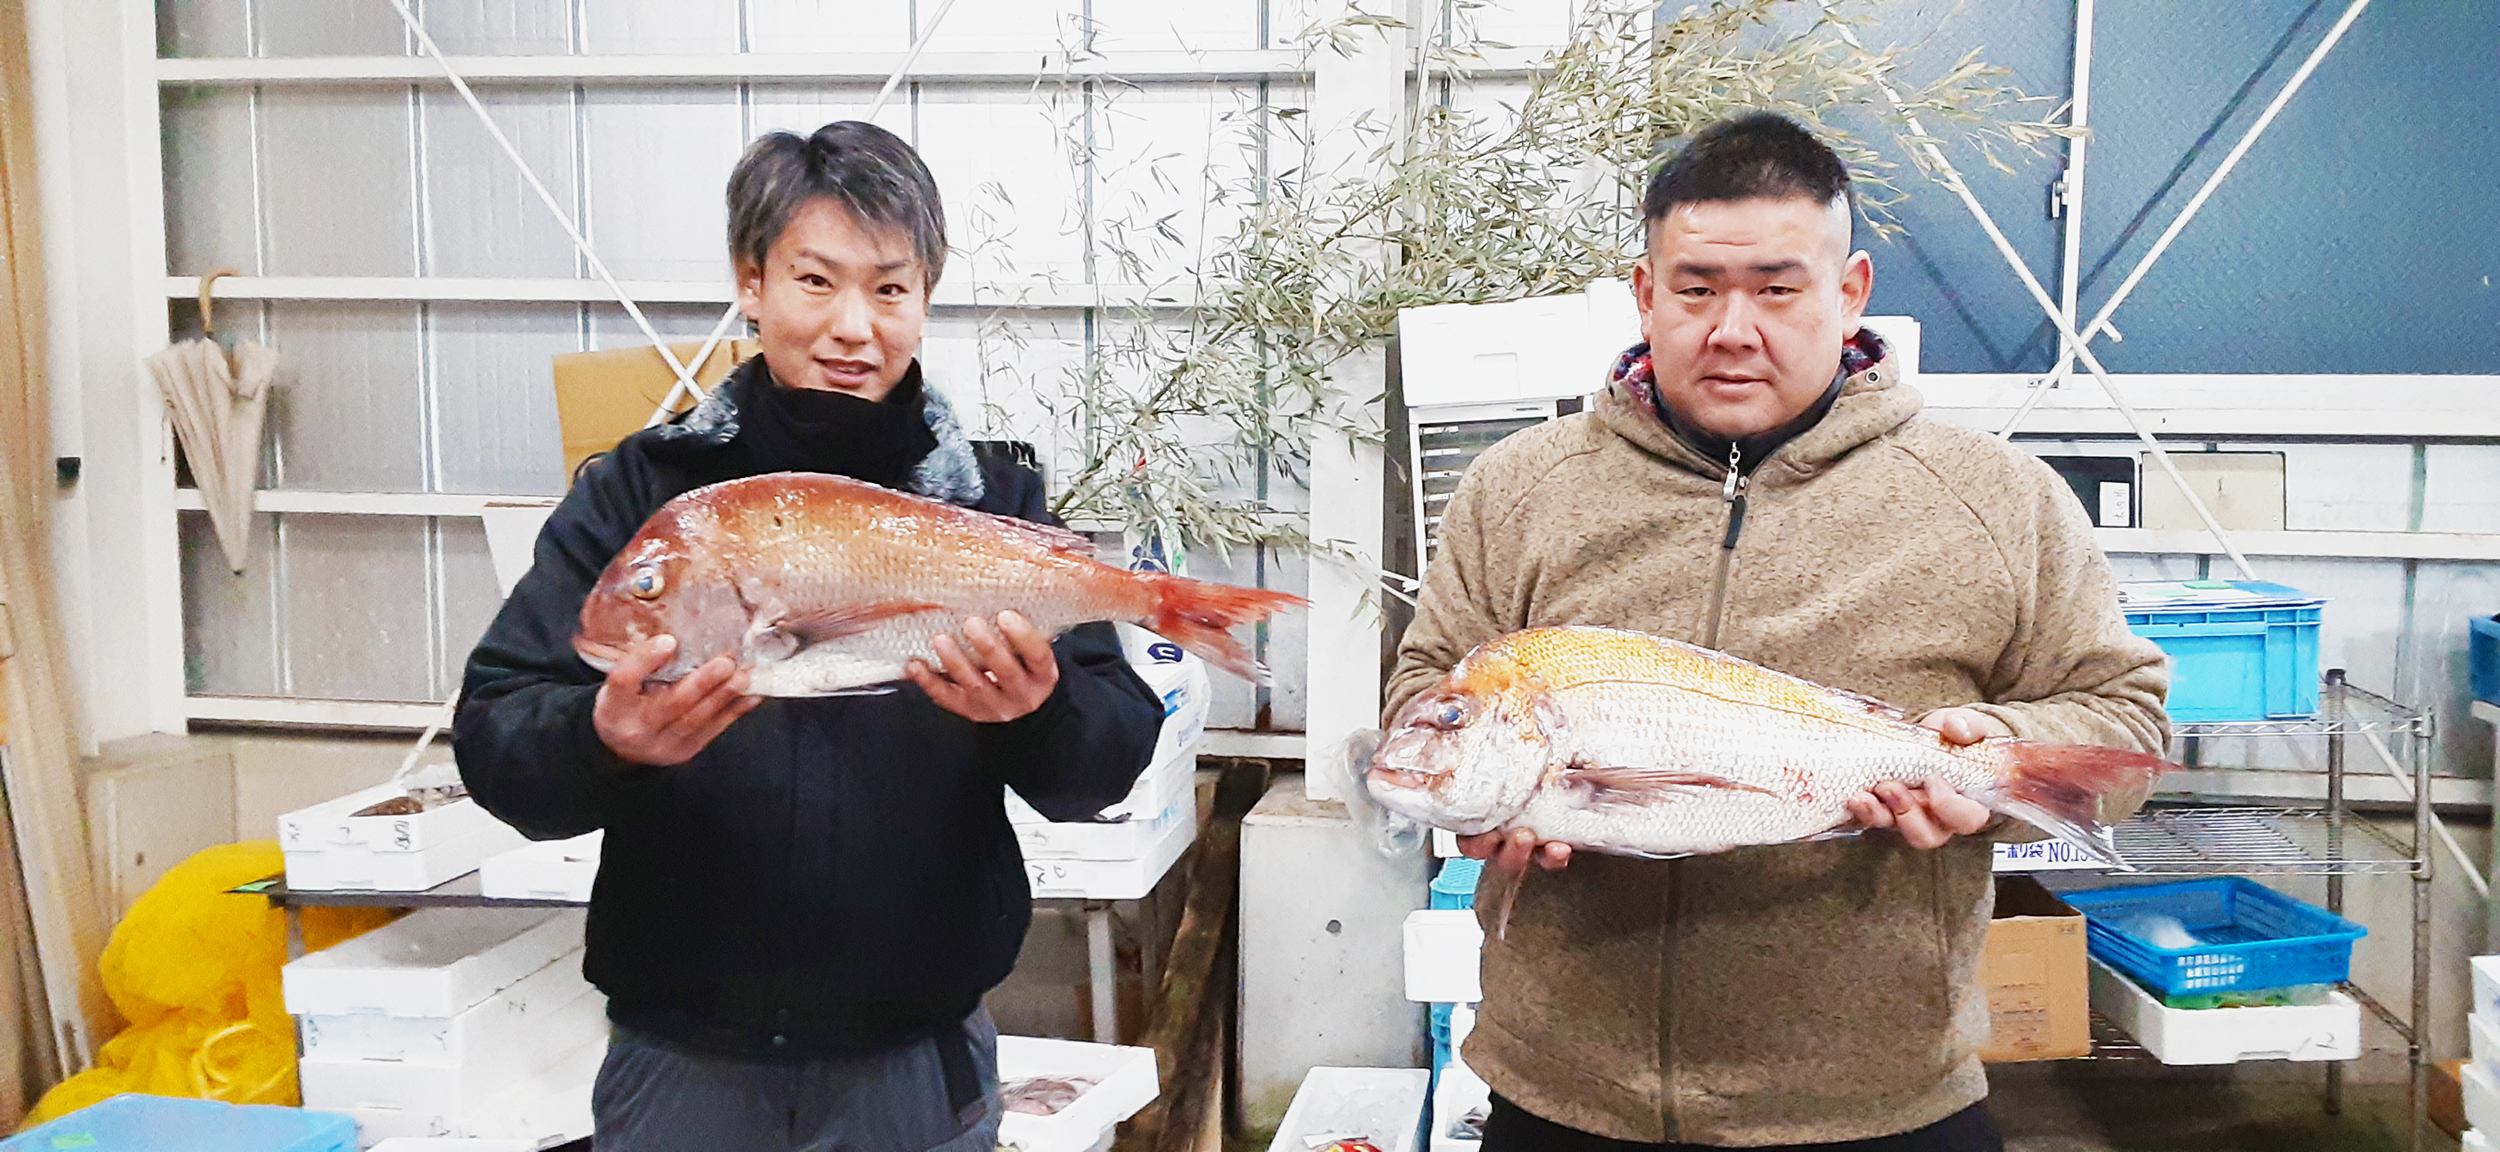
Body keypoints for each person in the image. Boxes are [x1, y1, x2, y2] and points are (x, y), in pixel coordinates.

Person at [1384, 112, 2169, 1151]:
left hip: (1877, 1104)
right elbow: (1427, 691)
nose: (1732, 328)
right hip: (1566, 1090)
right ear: (1644, 292)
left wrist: (1979, 778)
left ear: (1848, 292)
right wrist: (1472, 796)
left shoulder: (1997, 499)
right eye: (1697, 288)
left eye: (1776, 287)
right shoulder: (1519, 488)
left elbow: (2125, 731)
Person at [454, 121, 1165, 1152]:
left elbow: (1104, 764)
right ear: (752, 282)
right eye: (815, 281)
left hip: (915, 1065)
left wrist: (1039, 710)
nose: (854, 327)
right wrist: (602, 741)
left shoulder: (990, 504)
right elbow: (496, 738)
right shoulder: (640, 495)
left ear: (925, 298)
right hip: (679, 1064)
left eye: (890, 288)